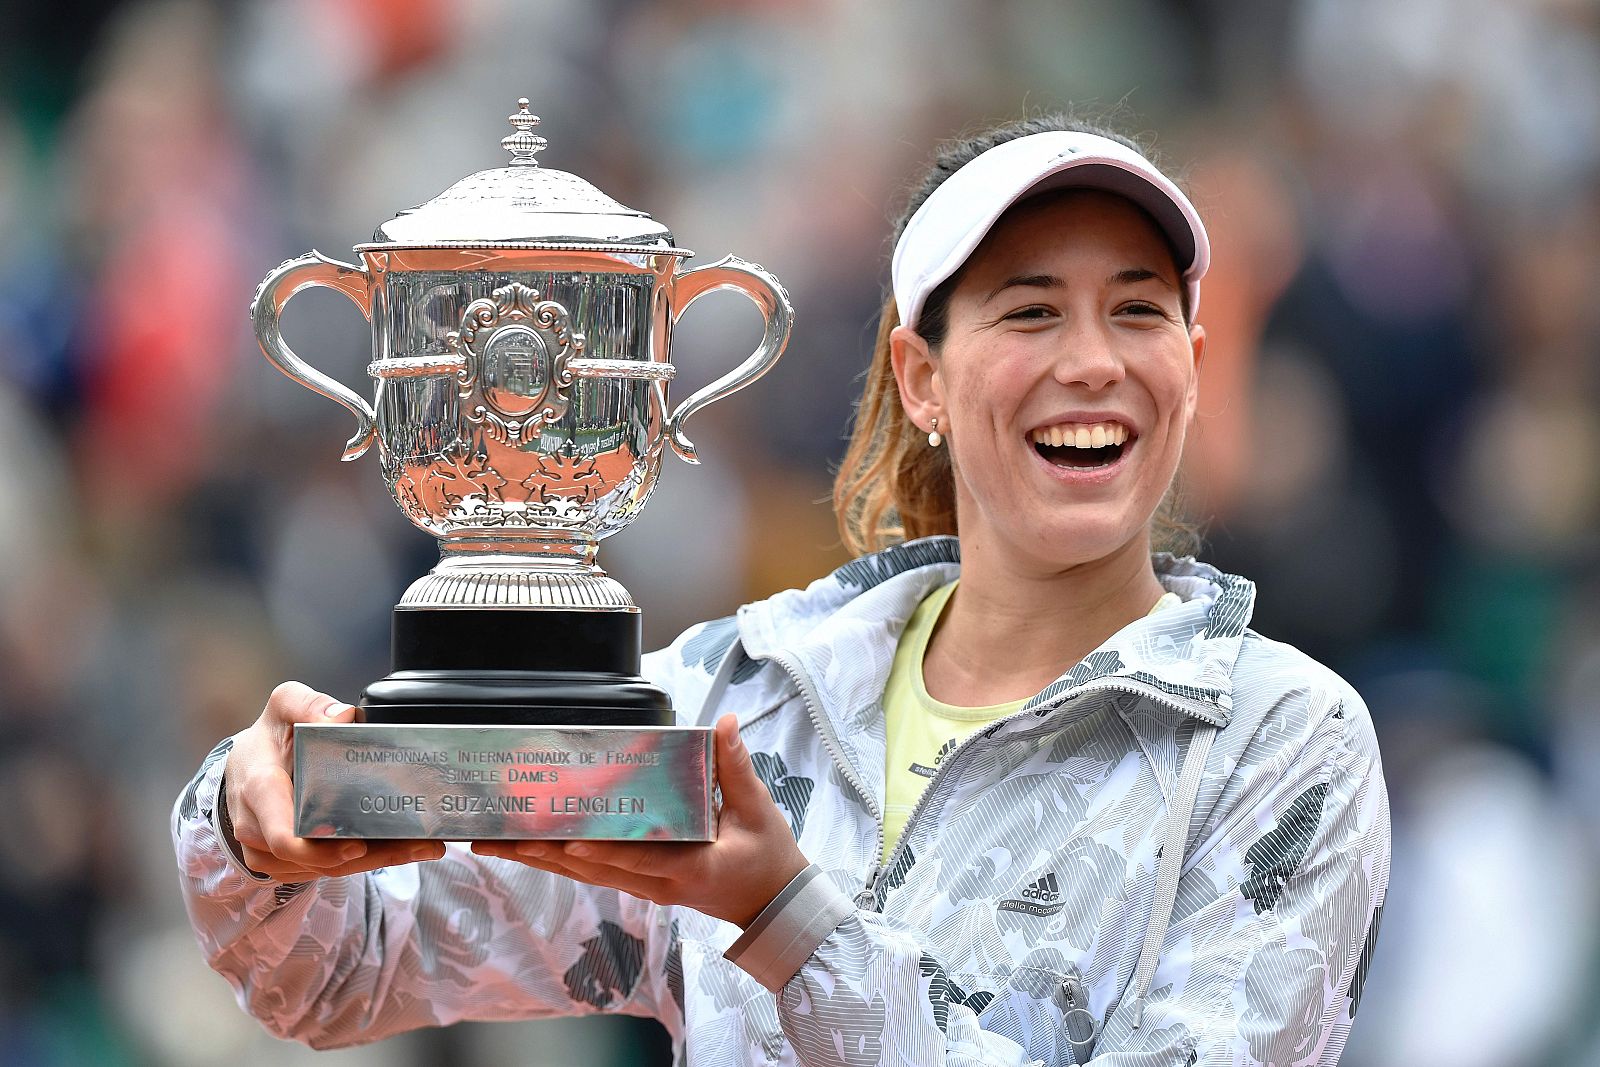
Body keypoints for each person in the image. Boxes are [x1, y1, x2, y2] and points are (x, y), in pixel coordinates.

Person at [173, 114, 1390, 1066]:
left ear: (1190, 359)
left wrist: (785, 919)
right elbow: (349, 969)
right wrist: (254, 823)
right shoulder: (746, 700)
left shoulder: (1277, 742)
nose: (1092, 361)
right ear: (919, 376)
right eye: (1029, 312)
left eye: (1138, 310)